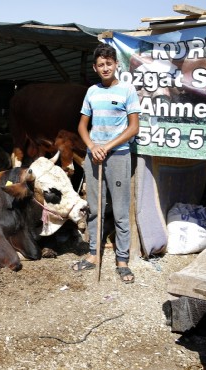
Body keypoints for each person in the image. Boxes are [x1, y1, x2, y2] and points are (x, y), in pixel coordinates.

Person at [71, 43, 140, 284]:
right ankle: (93, 255)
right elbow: (82, 126)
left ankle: (122, 260)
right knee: (95, 207)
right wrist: (91, 146)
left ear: (116, 64)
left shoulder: (127, 91)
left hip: (118, 156)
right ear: (95, 67)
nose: (105, 68)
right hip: (93, 156)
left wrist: (106, 147)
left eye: (109, 63)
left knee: (120, 210)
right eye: (101, 65)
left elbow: (133, 127)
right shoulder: (92, 92)